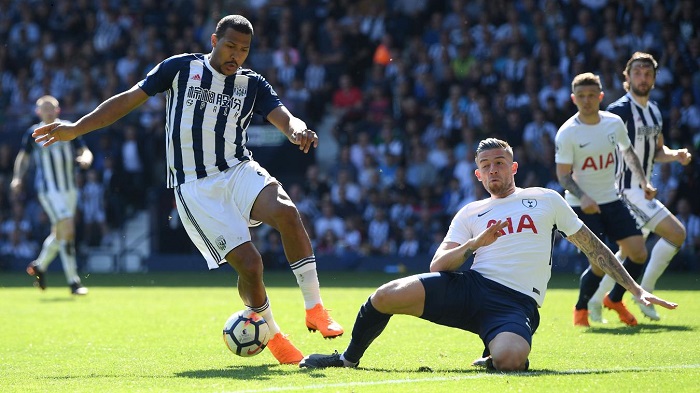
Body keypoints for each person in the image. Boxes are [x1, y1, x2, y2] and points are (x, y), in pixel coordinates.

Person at [31, 15, 343, 365]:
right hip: (195, 186)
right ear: (213, 40)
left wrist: (298, 131)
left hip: (238, 169)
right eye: (230, 46)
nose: (236, 55)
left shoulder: (252, 83)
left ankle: (315, 307)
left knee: (286, 211)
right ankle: (272, 332)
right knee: (251, 265)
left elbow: (285, 117)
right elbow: (127, 99)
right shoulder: (180, 68)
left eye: (244, 50)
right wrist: (77, 128)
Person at [297, 138, 677, 371]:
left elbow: (595, 247)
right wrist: (474, 245)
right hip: (470, 288)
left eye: (499, 163)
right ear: (478, 174)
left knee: (512, 361)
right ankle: (347, 358)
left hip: (515, 303)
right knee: (385, 296)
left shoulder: (546, 199)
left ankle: (496, 351)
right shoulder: (470, 212)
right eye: (485, 166)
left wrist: (635, 289)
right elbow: (439, 265)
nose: (493, 170)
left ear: (512, 167)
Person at [588, 53, 692, 322]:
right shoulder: (618, 111)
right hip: (625, 190)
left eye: (648, 73)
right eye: (637, 72)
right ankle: (644, 294)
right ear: (627, 76)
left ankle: (595, 303)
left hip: (643, 189)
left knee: (625, 255)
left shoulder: (654, 110)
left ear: (654, 78)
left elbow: (657, 151)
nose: (642, 78)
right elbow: (600, 149)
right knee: (677, 233)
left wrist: (675, 154)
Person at [555, 72, 657, 327]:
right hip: (582, 205)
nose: (587, 101)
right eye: (581, 96)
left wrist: (644, 181)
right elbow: (563, 176)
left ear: (600, 97)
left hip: (611, 199)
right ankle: (581, 310)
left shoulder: (613, 123)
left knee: (639, 253)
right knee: (600, 262)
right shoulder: (567, 133)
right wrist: (583, 196)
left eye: (592, 95)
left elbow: (629, 153)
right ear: (573, 98)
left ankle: (614, 299)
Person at [10, 95, 93, 295]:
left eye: (52, 107)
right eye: (44, 108)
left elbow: (84, 150)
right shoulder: (34, 133)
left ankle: (39, 265)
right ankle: (74, 282)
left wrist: (85, 159)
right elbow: (23, 157)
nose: (48, 111)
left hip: (70, 189)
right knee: (68, 229)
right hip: (49, 190)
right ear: (38, 112)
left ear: (58, 110)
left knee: (62, 233)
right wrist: (17, 178)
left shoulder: (68, 128)